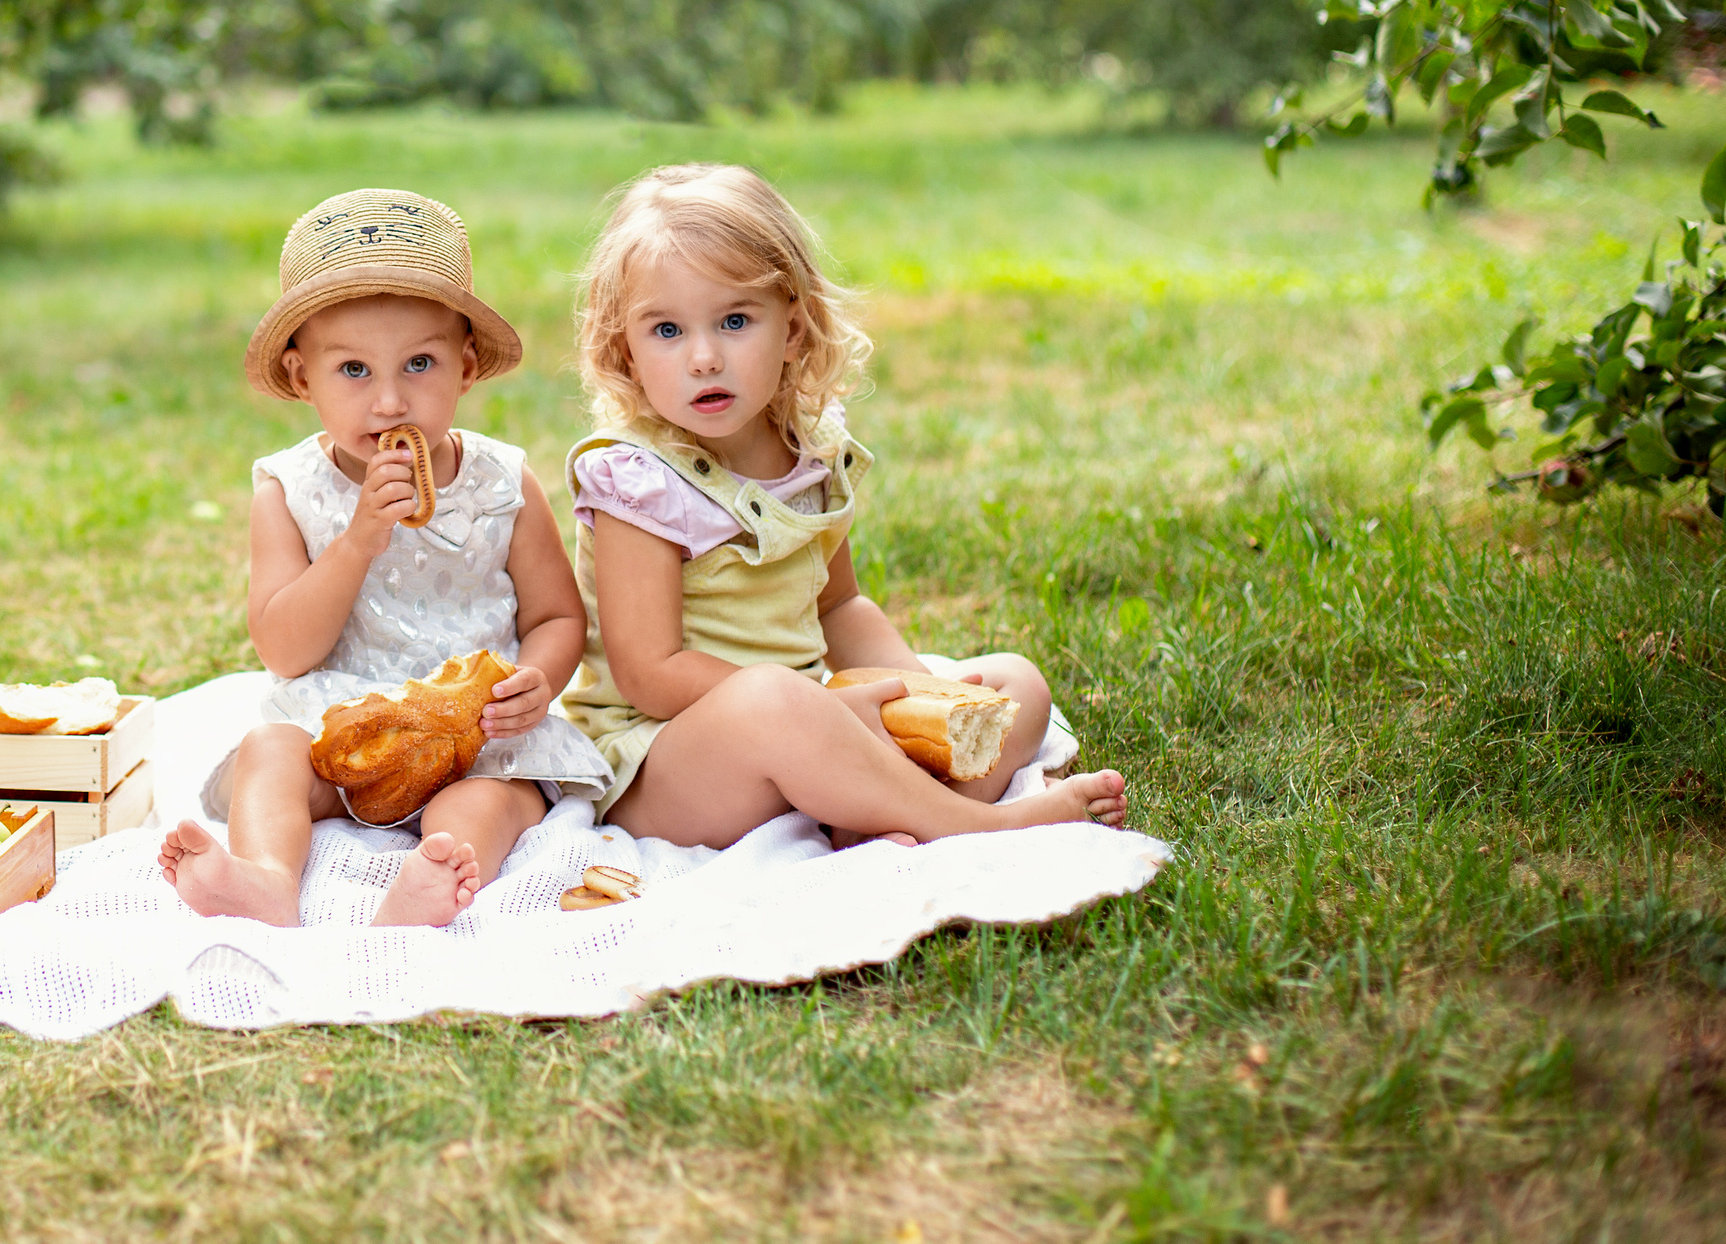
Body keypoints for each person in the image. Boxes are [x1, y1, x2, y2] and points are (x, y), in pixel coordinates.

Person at [559, 163, 1129, 848]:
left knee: (1015, 686)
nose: (704, 357)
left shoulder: (808, 453)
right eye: (667, 331)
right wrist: (821, 709)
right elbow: (651, 674)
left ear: (793, 331)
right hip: (670, 763)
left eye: (735, 320)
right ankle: (977, 823)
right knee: (774, 700)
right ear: (626, 348)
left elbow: (839, 608)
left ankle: (875, 816)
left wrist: (923, 694)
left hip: (807, 720)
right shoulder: (638, 481)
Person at [160, 187, 610, 926]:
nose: (392, 401)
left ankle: (434, 879)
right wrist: (360, 538)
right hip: (339, 729)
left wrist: (537, 677)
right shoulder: (289, 490)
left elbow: (558, 613)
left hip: (476, 740)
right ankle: (267, 879)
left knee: (490, 802)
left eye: (421, 364)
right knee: (269, 751)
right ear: (303, 378)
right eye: (355, 371)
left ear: (466, 367)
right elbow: (284, 647)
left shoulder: (501, 481)